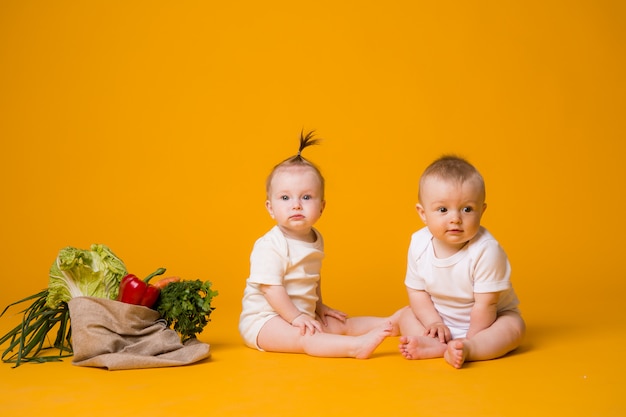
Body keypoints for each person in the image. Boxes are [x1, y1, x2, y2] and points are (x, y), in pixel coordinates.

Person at [239, 131, 399, 359]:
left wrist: (319, 307)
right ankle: (355, 347)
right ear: (270, 207)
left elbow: (312, 276)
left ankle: (392, 322)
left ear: (321, 207)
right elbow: (270, 289)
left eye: (306, 197)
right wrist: (295, 318)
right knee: (307, 338)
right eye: (285, 198)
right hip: (265, 321)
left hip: (300, 313)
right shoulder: (269, 245)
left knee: (337, 324)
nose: (296, 205)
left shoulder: (315, 237)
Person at [397, 155, 525, 368]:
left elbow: (486, 304)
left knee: (514, 327)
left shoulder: (486, 250)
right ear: (423, 213)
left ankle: (470, 348)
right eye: (443, 210)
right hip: (440, 317)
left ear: (481, 211)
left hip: (488, 320)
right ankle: (436, 344)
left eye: (467, 209)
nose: (455, 218)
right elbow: (417, 293)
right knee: (406, 315)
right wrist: (433, 323)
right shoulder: (419, 243)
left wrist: (471, 337)